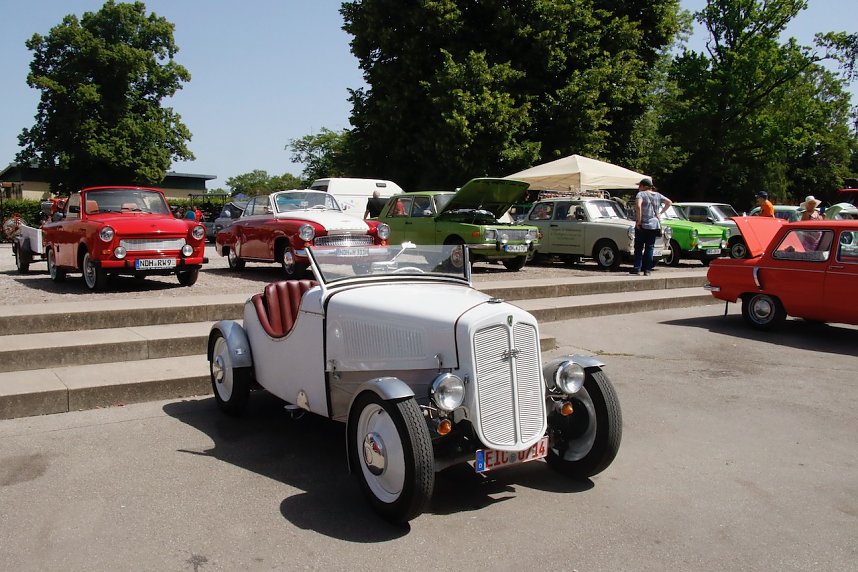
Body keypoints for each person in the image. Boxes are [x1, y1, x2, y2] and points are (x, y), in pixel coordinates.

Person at [631, 177, 671, 276]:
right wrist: (660, 213)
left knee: (638, 247)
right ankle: (647, 270)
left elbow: (638, 206)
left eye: (639, 186)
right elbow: (669, 202)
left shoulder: (640, 194)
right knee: (650, 248)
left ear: (643, 186)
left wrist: (639, 220)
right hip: (654, 225)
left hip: (643, 224)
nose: (639, 188)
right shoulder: (658, 195)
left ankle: (637, 268)